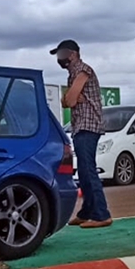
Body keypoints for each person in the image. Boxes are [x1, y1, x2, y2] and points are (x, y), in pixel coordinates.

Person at [50, 39, 112, 228]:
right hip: (80, 126)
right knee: (84, 172)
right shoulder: (73, 74)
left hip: (87, 125)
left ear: (73, 53)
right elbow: (67, 101)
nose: (59, 59)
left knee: (88, 170)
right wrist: (72, 98)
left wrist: (73, 97)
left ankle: (102, 214)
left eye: (62, 54)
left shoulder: (83, 70)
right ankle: (87, 211)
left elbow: (69, 100)